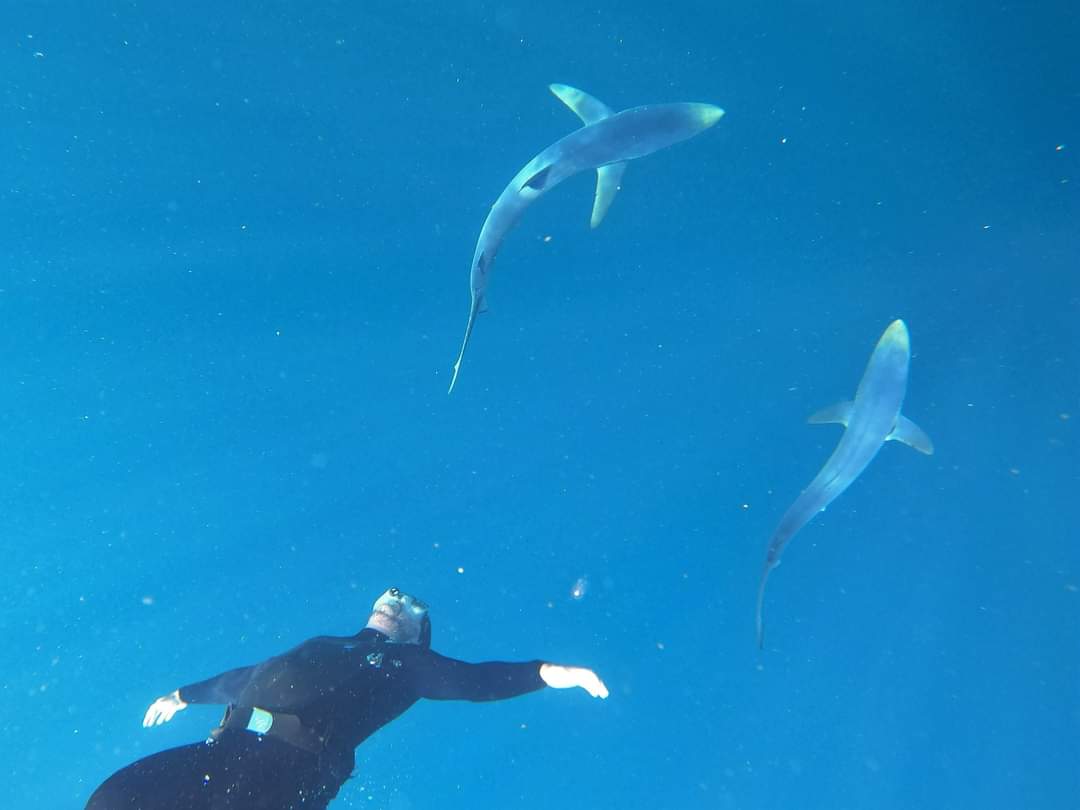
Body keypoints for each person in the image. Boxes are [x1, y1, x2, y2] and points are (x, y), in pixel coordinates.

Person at [85, 587, 608, 809]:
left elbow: (474, 681)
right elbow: (245, 679)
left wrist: (549, 672)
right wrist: (183, 695)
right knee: (110, 802)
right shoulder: (324, 644)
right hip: (224, 752)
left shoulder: (407, 665)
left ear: (417, 635)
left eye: (413, 604)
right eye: (395, 593)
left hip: (284, 775)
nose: (398, 600)